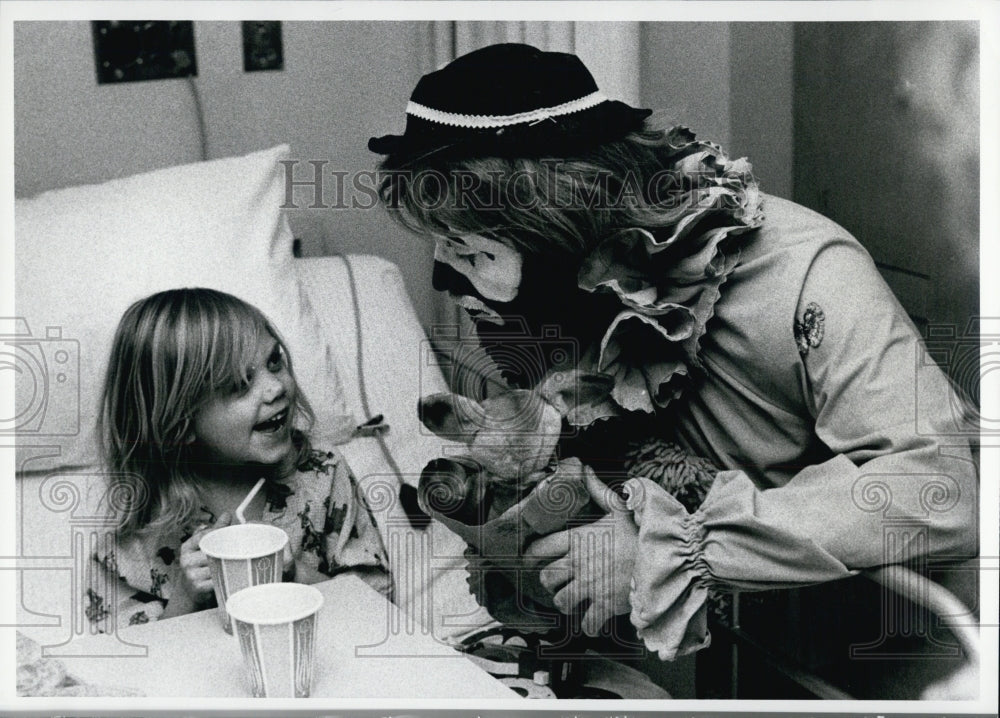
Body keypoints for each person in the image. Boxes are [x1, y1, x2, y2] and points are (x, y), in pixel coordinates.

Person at [369, 43, 978, 663]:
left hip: (888, 650)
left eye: (469, 252)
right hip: (725, 649)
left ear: (558, 227)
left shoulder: (811, 273)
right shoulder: (562, 294)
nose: (449, 277)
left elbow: (939, 486)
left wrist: (672, 549)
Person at [86, 288, 389, 630]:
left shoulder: (323, 474)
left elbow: (381, 601)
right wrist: (186, 599)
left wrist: (295, 574)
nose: (275, 387)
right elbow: (120, 658)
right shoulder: (141, 524)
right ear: (180, 424)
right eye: (240, 384)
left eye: (274, 362)